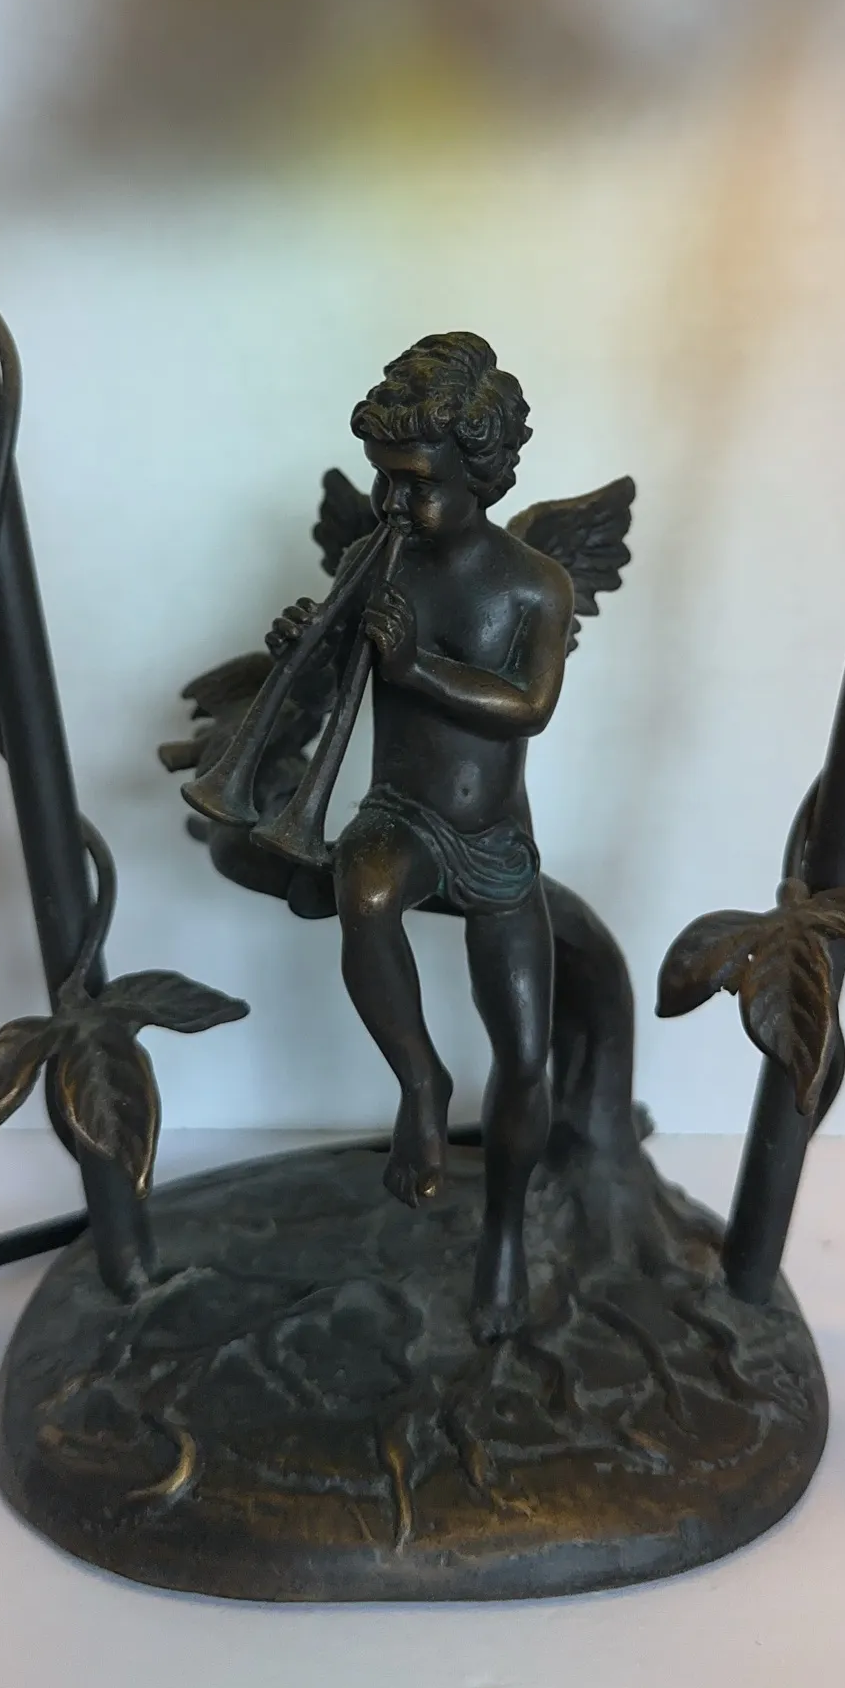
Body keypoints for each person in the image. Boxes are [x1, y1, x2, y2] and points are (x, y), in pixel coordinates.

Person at [268, 333, 575, 1341]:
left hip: (492, 841)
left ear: (480, 475)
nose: (394, 503)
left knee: (524, 1056)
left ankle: (501, 1236)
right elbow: (346, 675)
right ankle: (419, 1084)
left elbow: (528, 705)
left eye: (416, 483)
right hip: (399, 817)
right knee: (362, 893)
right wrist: (306, 650)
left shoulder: (534, 585)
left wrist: (418, 668)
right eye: (383, 479)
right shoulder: (379, 561)